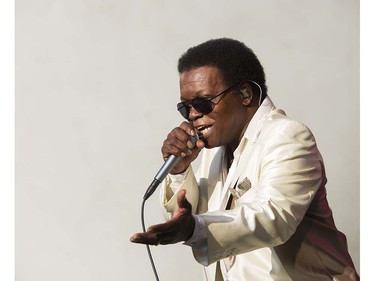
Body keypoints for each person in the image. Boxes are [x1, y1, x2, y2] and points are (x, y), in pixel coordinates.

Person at [130, 38, 359, 281]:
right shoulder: (214, 151)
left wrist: (193, 228)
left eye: (202, 103)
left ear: (245, 94)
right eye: (185, 108)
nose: (193, 115)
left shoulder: (287, 136)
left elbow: (273, 218)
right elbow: (189, 218)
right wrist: (178, 171)